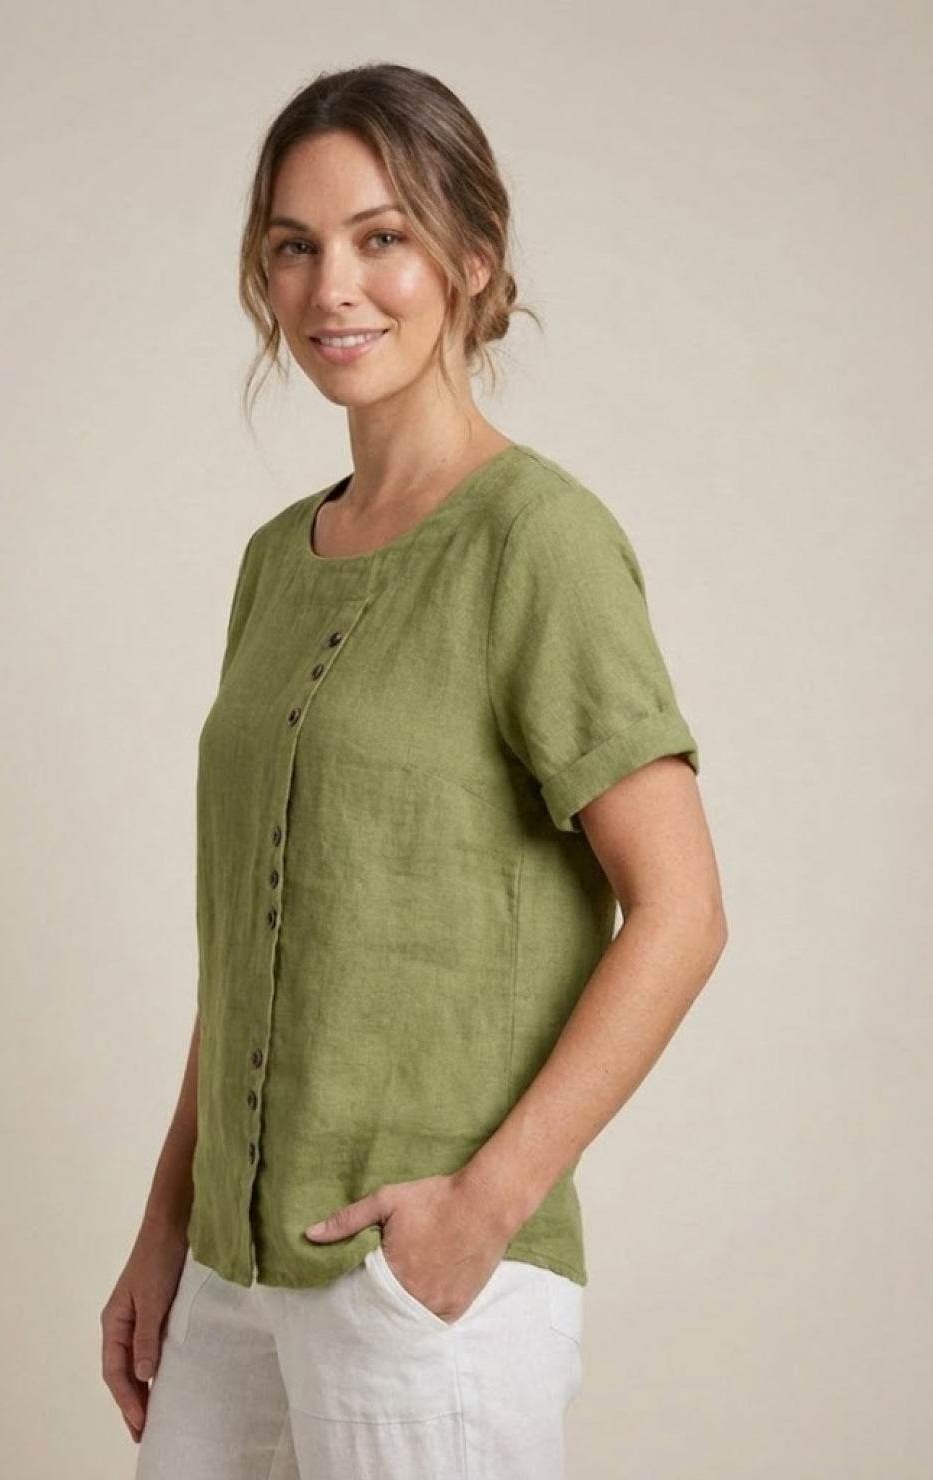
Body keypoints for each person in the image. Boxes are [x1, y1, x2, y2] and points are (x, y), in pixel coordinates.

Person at [101, 62, 727, 1480]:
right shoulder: (274, 562)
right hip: (228, 1276)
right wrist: (165, 1228)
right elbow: (256, 943)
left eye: (380, 237)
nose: (333, 286)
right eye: (294, 244)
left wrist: (480, 1209)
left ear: (472, 260)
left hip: (414, 1278)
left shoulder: (537, 543)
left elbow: (682, 912)